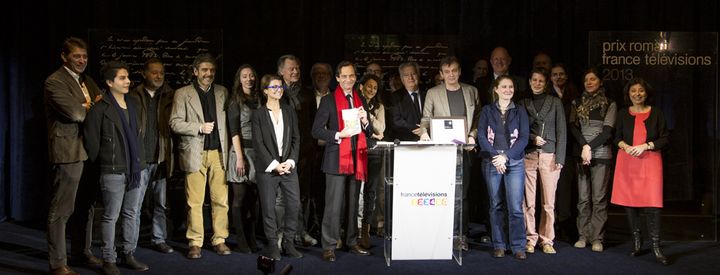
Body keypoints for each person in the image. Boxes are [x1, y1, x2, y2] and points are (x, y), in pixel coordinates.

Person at [43, 36, 102, 275]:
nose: (81, 60)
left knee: (86, 205)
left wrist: (91, 105)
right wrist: (89, 106)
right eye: (76, 56)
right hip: (68, 151)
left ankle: (82, 252)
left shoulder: (87, 80)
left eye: (84, 56)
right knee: (62, 209)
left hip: (89, 151)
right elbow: (76, 113)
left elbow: (104, 104)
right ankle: (58, 263)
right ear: (64, 57)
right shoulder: (54, 81)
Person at [84, 61, 149, 274]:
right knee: (111, 215)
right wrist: (104, 164)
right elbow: (92, 143)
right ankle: (109, 259)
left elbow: (140, 137)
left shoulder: (134, 105)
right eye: (122, 78)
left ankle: (128, 253)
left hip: (135, 169)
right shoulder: (100, 109)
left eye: (128, 77)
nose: (127, 81)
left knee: (132, 213)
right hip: (112, 170)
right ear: (110, 82)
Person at [169, 53, 231, 259]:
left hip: (218, 153)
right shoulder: (182, 93)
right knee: (194, 201)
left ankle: (220, 239)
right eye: (204, 70)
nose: (208, 74)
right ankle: (195, 242)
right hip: (194, 152)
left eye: (212, 70)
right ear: (195, 71)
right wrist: (198, 127)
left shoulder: (223, 92)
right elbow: (175, 122)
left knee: (220, 200)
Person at [312, 61, 373, 262]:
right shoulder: (328, 101)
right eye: (344, 76)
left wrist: (365, 121)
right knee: (333, 206)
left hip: (357, 158)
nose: (348, 80)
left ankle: (351, 241)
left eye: (351, 76)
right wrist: (339, 134)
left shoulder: (360, 98)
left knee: (353, 204)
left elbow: (369, 131)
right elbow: (316, 131)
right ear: (337, 78)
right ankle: (329, 246)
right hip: (336, 159)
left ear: (355, 78)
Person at [421, 56, 481, 251]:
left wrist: (473, 135)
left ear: (460, 71)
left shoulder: (471, 91)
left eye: (454, 70)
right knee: (442, 193)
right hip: (441, 152)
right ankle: (441, 234)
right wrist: (423, 133)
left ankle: (461, 235)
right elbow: (425, 119)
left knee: (462, 195)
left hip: (465, 151)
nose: (451, 74)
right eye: (447, 72)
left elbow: (479, 118)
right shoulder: (432, 93)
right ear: (441, 74)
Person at [611, 78, 669, 265]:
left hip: (650, 160)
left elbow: (665, 138)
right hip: (627, 161)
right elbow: (616, 137)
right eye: (633, 91)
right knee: (630, 202)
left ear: (646, 93)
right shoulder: (622, 113)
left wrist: (646, 146)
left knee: (653, 204)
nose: (637, 94)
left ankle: (655, 246)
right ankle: (637, 242)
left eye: (641, 91)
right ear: (628, 95)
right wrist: (625, 146)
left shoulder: (657, 112)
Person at [476, 75, 529, 260]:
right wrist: (495, 157)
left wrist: (505, 156)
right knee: (496, 205)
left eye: (511, 87)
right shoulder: (487, 110)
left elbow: (524, 138)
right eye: (504, 87)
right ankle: (498, 245)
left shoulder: (520, 110)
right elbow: (481, 137)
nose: (508, 90)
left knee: (515, 206)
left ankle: (518, 246)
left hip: (513, 161)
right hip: (492, 161)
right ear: (496, 90)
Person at [252, 74, 303, 260]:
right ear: (265, 91)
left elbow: (296, 139)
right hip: (268, 168)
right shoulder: (258, 114)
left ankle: (288, 242)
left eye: (280, 87)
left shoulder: (289, 111)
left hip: (288, 166)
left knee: (294, 204)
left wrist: (290, 161)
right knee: (268, 207)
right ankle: (273, 244)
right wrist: (274, 165)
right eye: (274, 87)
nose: (278, 90)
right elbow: (258, 144)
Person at [130, 58, 176, 254]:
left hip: (162, 158)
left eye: (161, 73)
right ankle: (129, 245)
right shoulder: (132, 96)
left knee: (161, 203)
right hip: (140, 159)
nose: (158, 76)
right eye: (154, 72)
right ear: (144, 73)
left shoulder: (170, 96)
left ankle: (159, 239)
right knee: (134, 205)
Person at [519, 68, 566, 255]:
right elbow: (519, 129)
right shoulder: (523, 103)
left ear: (545, 83)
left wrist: (560, 158)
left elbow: (562, 131)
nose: (537, 83)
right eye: (534, 80)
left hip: (550, 155)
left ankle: (547, 240)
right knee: (528, 202)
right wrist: (532, 138)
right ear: (529, 82)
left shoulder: (555, 102)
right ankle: (530, 238)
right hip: (529, 155)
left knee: (548, 203)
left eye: (540, 81)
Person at [569, 67, 617, 253]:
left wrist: (590, 146)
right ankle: (583, 235)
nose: (589, 82)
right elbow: (573, 127)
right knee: (582, 198)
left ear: (600, 82)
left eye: (593, 79)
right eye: (586, 79)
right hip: (582, 154)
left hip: (601, 154)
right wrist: (584, 147)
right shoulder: (576, 102)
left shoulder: (609, 103)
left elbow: (607, 131)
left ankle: (597, 238)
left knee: (599, 198)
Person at [276, 54, 318, 248]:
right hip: (281, 152)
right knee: (281, 196)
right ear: (280, 71)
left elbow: (313, 122)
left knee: (301, 194)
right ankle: (282, 234)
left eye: (297, 68)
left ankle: (301, 232)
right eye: (291, 68)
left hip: (304, 151)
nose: (295, 71)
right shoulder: (275, 92)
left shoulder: (307, 94)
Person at [226, 64, 260, 253]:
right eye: (245, 76)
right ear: (239, 79)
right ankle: (240, 239)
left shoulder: (259, 99)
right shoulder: (234, 101)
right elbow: (234, 131)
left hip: (258, 153)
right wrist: (240, 158)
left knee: (254, 198)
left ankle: (252, 236)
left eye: (251, 75)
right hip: (241, 152)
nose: (249, 79)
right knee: (240, 198)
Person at [357, 74, 385, 249]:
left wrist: (369, 116)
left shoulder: (379, 106)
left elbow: (381, 129)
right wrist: (374, 132)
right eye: (369, 86)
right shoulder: (354, 102)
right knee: (356, 192)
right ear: (361, 86)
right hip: (358, 150)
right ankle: (355, 228)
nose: (371, 90)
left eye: (375, 88)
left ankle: (366, 230)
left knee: (371, 192)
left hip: (374, 152)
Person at [390, 62, 426, 142]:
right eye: (406, 75)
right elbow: (396, 121)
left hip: (428, 140)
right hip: (405, 142)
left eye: (413, 74)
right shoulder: (395, 97)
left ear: (418, 75)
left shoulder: (428, 94)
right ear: (402, 78)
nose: (410, 77)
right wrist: (417, 129)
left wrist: (426, 129)